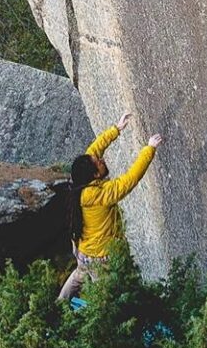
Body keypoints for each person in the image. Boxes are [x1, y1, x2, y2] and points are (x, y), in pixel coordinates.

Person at [58, 111, 161, 301]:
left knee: (79, 276)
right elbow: (128, 181)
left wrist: (116, 129)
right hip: (100, 258)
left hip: (82, 251)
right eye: (99, 163)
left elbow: (94, 150)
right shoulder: (99, 195)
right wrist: (149, 149)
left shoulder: (80, 182)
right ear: (96, 175)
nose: (102, 159)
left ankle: (59, 304)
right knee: (107, 297)